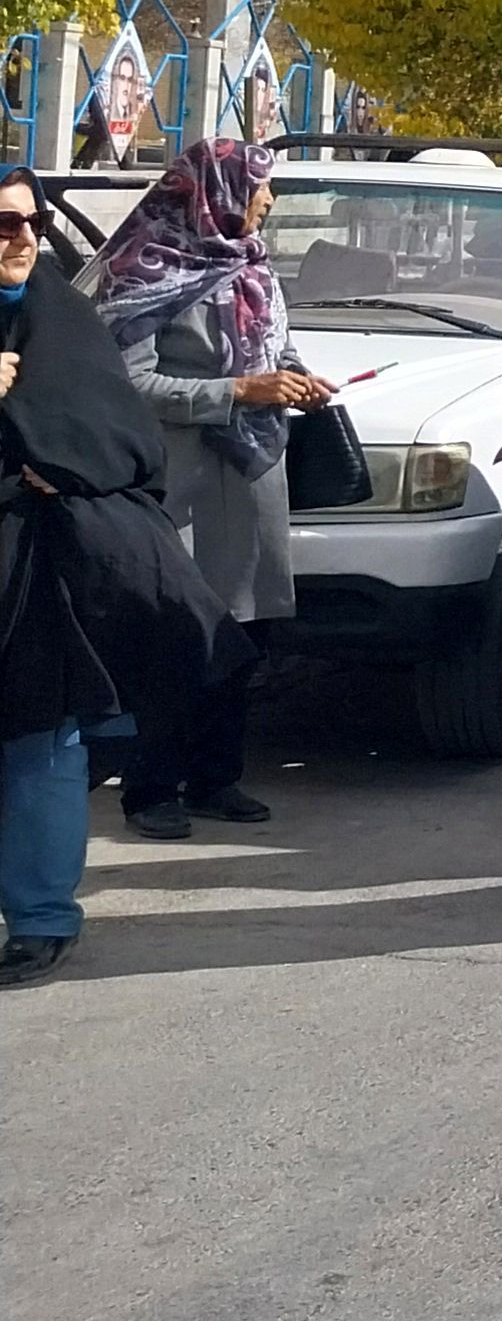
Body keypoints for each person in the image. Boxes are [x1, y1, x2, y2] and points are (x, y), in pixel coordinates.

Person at [4, 166, 247, 985]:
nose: (19, 240)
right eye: (1, 225)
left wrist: (54, 456)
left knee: (41, 739)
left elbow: (117, 438)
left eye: (28, 223)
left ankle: (41, 918)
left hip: (33, 568)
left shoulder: (60, 317)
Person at [89, 139, 317, 840]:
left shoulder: (248, 262)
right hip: (177, 483)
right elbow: (129, 381)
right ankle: (152, 788)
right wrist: (237, 391)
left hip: (250, 477)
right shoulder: (146, 267)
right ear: (213, 192)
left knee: (245, 631)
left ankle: (217, 777)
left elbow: (273, 343)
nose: (266, 205)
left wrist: (297, 377)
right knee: (175, 638)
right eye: (256, 192)